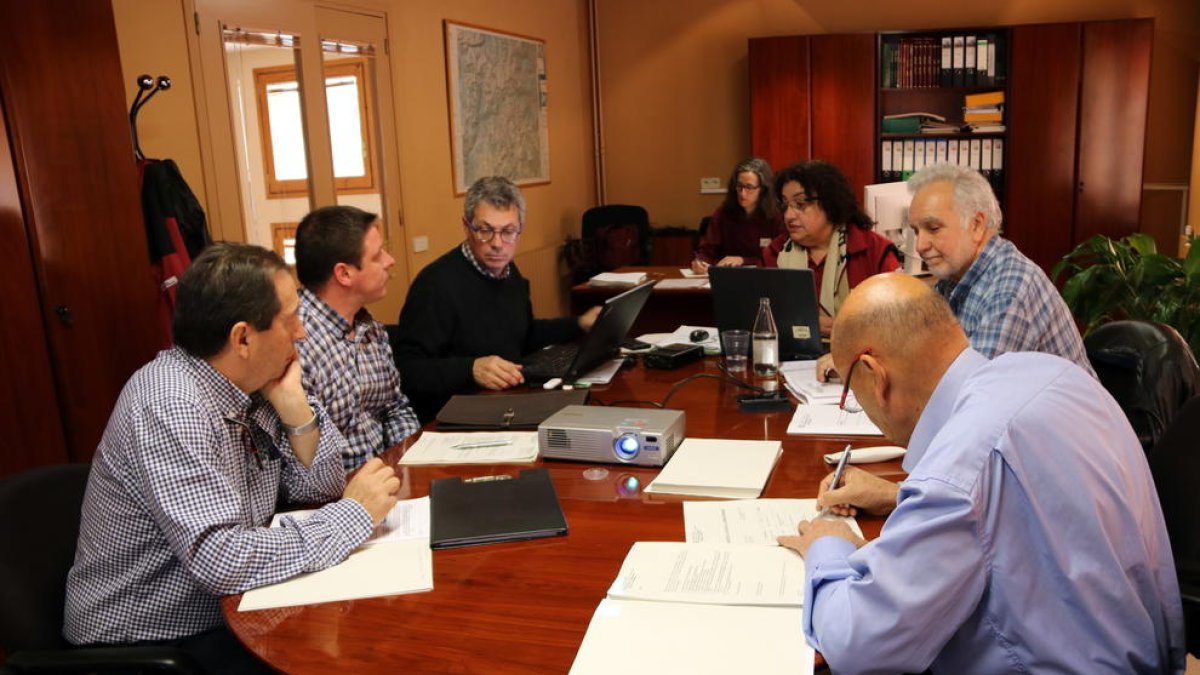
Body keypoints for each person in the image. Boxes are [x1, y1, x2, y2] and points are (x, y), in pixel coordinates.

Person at [778, 273, 1184, 673]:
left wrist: (827, 546)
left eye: (850, 394)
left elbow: (858, 646)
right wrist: (895, 496)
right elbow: (1024, 510)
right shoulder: (1050, 373)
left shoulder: (958, 472)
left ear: (874, 374)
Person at [64, 243, 401, 673]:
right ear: (242, 337)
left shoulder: (254, 383)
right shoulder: (171, 402)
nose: (302, 333)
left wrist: (295, 408)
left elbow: (317, 490)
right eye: (290, 319)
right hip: (149, 639)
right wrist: (352, 517)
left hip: (230, 608)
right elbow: (221, 559)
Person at [816, 163, 1093, 383]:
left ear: (976, 224)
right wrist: (859, 359)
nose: (921, 245)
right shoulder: (955, 278)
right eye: (915, 231)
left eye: (933, 228)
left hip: (1059, 448)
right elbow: (918, 346)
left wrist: (868, 373)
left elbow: (968, 389)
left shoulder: (1010, 286)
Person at [393, 176, 601, 422]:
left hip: (505, 403)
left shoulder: (510, 273)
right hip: (454, 417)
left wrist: (578, 324)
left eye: (508, 231)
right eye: (485, 230)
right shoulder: (434, 285)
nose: (497, 244)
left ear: (520, 228)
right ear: (466, 226)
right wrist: (471, 369)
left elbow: (522, 335)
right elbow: (407, 371)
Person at [293, 205, 420, 471]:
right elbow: (304, 462)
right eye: (377, 256)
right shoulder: (297, 341)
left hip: (387, 480)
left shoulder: (370, 329)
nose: (390, 261)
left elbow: (395, 409)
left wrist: (408, 463)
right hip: (336, 497)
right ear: (344, 274)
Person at [763, 160, 900, 335]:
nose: (788, 215)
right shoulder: (776, 252)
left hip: (859, 356)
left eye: (800, 204)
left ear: (830, 202)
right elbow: (762, 317)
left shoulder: (873, 250)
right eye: (785, 205)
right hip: (790, 357)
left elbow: (897, 320)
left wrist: (848, 328)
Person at [690, 157, 782, 272]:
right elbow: (707, 250)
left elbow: (779, 258)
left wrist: (743, 260)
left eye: (749, 187)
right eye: (739, 186)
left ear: (763, 189)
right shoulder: (724, 213)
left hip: (765, 278)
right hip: (728, 277)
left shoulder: (777, 216)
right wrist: (700, 261)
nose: (742, 193)